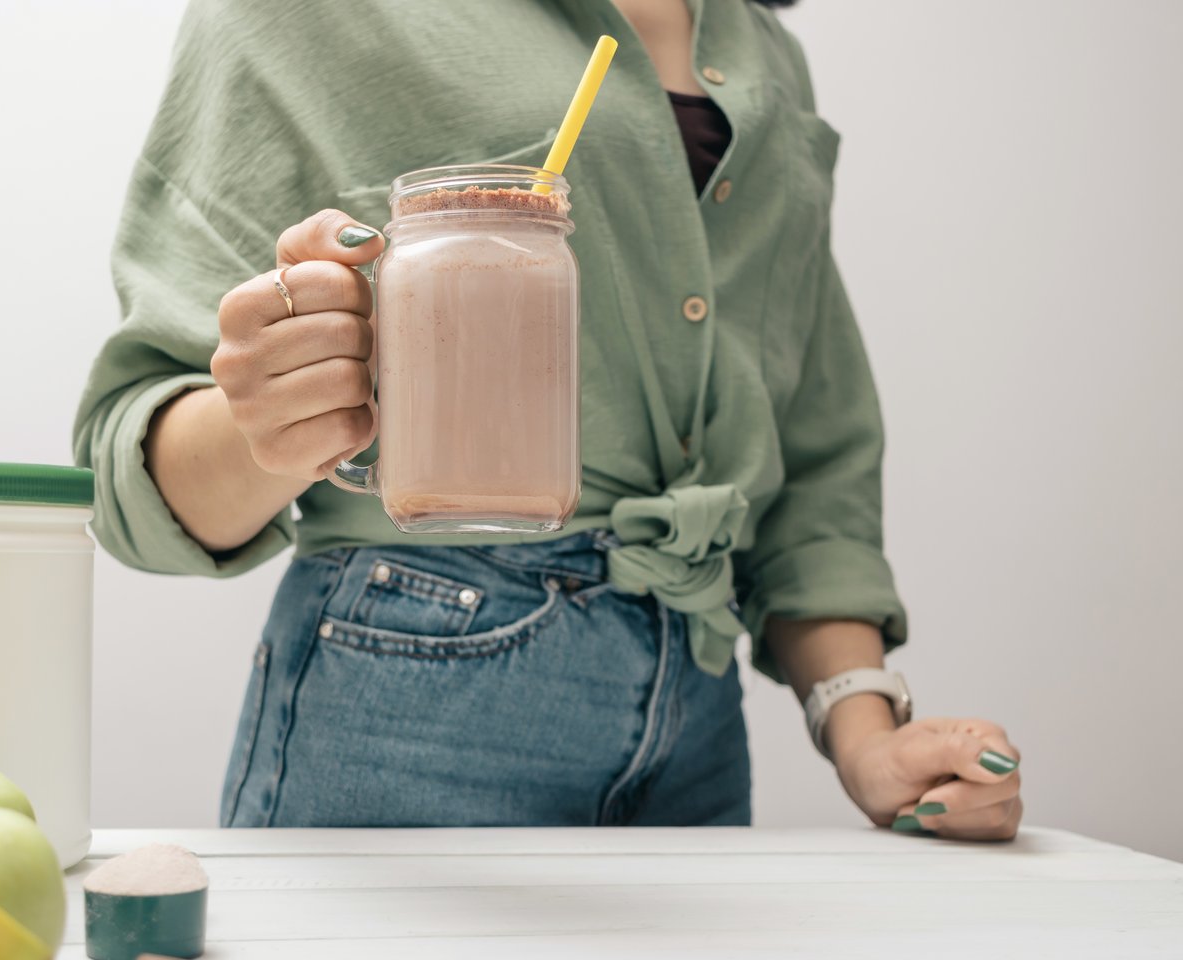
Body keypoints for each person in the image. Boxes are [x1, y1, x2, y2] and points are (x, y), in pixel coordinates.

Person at [75, 0, 1023, 838]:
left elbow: (814, 458)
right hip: (412, 681)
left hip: (695, 706)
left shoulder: (765, 48)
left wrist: (863, 734)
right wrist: (278, 418)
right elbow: (133, 477)